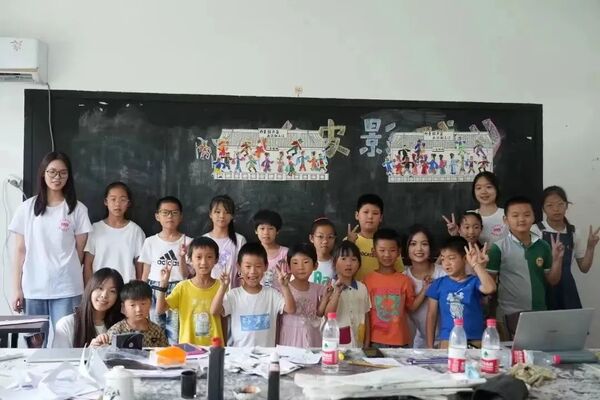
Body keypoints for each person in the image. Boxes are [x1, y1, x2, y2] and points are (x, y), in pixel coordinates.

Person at [9, 151, 92, 335]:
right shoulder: (26, 208)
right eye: (52, 172)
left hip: (67, 288)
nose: (57, 177)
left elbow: (79, 251)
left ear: (68, 176)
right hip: (33, 288)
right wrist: (16, 289)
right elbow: (20, 251)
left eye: (63, 173)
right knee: (34, 342)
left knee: (67, 340)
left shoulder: (78, 209)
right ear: (43, 173)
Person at [486, 196, 564, 337]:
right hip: (509, 314)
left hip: (538, 312)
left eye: (527, 215)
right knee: (511, 350)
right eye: (515, 215)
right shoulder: (498, 248)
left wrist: (557, 260)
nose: (521, 219)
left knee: (537, 349)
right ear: (505, 220)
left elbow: (552, 281)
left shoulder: (543, 246)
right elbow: (489, 285)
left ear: (533, 217)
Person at [210, 242, 296, 347]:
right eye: (248, 266)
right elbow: (214, 311)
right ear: (239, 267)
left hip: (266, 355)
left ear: (266, 266)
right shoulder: (234, 295)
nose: (253, 271)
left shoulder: (272, 294)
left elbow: (291, 309)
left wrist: (285, 286)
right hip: (240, 354)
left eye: (258, 266)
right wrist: (223, 287)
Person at [532, 186, 599, 310]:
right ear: (543, 208)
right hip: (543, 286)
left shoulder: (574, 232)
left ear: (566, 206)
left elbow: (584, 268)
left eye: (560, 204)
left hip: (567, 288)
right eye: (550, 205)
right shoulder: (535, 230)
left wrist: (590, 247)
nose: (556, 209)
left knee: (571, 322)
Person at [426, 237, 496, 348]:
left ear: (465, 258)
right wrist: (429, 346)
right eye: (443, 259)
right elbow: (431, 316)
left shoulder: (474, 282)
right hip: (448, 339)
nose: (446, 263)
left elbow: (490, 288)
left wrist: (476, 265)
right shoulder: (438, 284)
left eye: (451, 258)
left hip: (475, 340)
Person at [140, 196, 193, 344]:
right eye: (165, 212)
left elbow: (186, 275)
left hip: (178, 289)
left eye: (174, 213)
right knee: (154, 332)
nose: (170, 216)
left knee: (175, 334)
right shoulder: (150, 242)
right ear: (157, 216)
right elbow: (145, 272)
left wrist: (181, 256)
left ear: (181, 216)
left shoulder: (188, 242)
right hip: (154, 289)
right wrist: (142, 295)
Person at [155, 237, 224, 345]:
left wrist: (224, 344)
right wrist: (163, 285)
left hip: (215, 347)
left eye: (209, 257)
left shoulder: (222, 286)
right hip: (188, 348)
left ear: (216, 259)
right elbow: (160, 310)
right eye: (198, 257)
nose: (203, 262)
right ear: (190, 260)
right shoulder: (183, 287)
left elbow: (224, 319)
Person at [363, 228, 416, 348]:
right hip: (374, 340)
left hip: (400, 342)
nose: (387, 255)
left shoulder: (405, 281)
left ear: (399, 252)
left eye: (392, 250)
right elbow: (365, 314)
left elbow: (412, 306)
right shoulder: (367, 281)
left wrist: (425, 290)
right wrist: (366, 342)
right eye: (382, 250)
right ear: (374, 252)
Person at [83, 182, 145, 284]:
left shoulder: (135, 231)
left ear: (128, 203)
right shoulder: (95, 229)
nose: (117, 204)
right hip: (100, 288)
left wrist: (139, 289)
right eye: (113, 199)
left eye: (122, 200)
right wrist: (90, 289)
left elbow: (140, 265)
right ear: (106, 201)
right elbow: (88, 264)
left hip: (127, 288)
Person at [53, 268, 124, 348]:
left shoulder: (123, 325)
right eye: (100, 288)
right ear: (90, 288)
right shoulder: (66, 324)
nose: (104, 295)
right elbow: (60, 355)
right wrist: (88, 351)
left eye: (112, 291)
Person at [403, 225, 446, 348]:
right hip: (420, 342)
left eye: (424, 244)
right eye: (413, 244)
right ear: (406, 248)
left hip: (448, 340)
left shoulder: (444, 273)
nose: (419, 249)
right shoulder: (403, 278)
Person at [279, 243, 328, 347]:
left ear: (315, 265)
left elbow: (318, 315)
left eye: (305, 262)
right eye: (295, 263)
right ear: (289, 266)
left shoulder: (317, 288)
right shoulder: (283, 288)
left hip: (313, 337)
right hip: (291, 338)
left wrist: (326, 298)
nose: (300, 267)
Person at [92, 280, 168, 347]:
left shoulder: (157, 331)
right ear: (123, 307)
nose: (138, 309)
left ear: (150, 304)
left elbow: (165, 353)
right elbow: (108, 353)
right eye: (132, 305)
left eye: (143, 304)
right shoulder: (116, 331)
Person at [324, 241, 371, 348]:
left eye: (353, 259)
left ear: (359, 264)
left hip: (359, 344)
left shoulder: (362, 288)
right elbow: (328, 315)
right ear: (334, 263)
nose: (349, 263)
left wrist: (367, 343)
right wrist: (337, 293)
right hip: (335, 345)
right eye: (343, 259)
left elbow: (366, 316)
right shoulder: (329, 287)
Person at [346, 194, 403, 281]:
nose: (370, 217)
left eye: (375, 213)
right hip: (355, 288)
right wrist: (350, 244)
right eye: (366, 212)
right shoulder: (349, 240)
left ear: (381, 217)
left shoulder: (389, 242)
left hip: (383, 288)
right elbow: (341, 269)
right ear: (357, 215)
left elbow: (399, 271)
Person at [445, 172, 507, 244]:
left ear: (497, 189)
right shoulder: (468, 216)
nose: (483, 192)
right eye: (479, 188)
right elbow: (462, 246)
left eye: (488, 187)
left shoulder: (507, 215)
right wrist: (456, 235)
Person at [203, 195, 246, 288]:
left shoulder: (239, 240)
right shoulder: (203, 240)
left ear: (232, 216)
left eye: (226, 212)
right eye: (217, 212)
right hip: (207, 292)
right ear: (210, 214)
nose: (222, 216)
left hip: (232, 293)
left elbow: (244, 270)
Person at [253, 209, 289, 288]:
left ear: (277, 231)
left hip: (280, 295)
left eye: (270, 228)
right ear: (256, 231)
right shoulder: (251, 253)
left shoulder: (285, 253)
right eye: (262, 228)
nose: (266, 233)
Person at [308, 217, 337, 285]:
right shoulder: (303, 263)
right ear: (311, 238)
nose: (325, 241)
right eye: (320, 236)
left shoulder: (338, 265)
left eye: (330, 237)